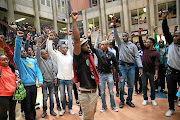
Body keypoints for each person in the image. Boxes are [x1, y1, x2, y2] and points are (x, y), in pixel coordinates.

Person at [72, 11, 99, 120]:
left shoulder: (89, 55)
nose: (88, 46)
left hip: (94, 91)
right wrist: (74, 21)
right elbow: (77, 40)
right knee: (88, 117)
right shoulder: (79, 57)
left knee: (90, 116)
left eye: (88, 44)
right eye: (85, 45)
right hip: (86, 93)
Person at [88, 30, 123, 112]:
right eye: (101, 44)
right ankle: (104, 106)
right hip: (101, 75)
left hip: (109, 75)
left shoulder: (111, 54)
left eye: (103, 44)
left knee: (111, 92)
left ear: (107, 45)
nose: (101, 46)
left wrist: (120, 74)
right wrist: (89, 37)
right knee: (102, 92)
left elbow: (116, 65)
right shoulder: (98, 52)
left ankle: (113, 106)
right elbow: (91, 47)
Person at [112, 16, 143, 108]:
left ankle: (129, 100)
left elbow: (137, 56)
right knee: (121, 86)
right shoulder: (120, 44)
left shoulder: (133, 46)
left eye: (125, 36)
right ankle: (122, 100)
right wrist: (114, 24)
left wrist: (140, 67)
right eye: (123, 36)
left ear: (128, 37)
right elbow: (116, 34)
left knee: (130, 86)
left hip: (131, 67)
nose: (123, 37)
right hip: (122, 67)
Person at [14, 31, 43, 120]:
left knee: (33, 104)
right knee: (27, 106)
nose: (23, 52)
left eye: (24, 51)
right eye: (21, 52)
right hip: (25, 87)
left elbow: (38, 71)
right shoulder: (19, 62)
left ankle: (33, 118)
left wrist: (40, 81)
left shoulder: (32, 61)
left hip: (34, 86)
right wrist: (18, 39)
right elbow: (17, 52)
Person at [47, 30, 75, 116]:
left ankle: (70, 108)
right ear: (60, 49)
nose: (65, 49)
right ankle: (63, 109)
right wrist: (50, 39)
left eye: (66, 48)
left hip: (70, 78)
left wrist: (69, 36)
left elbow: (70, 45)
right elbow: (50, 50)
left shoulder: (70, 54)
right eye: (64, 48)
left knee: (70, 95)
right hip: (61, 79)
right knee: (62, 95)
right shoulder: (58, 55)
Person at [161, 11, 180, 117]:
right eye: (174, 35)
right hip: (171, 72)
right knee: (171, 91)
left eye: (177, 36)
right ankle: (171, 108)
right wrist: (164, 19)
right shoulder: (171, 42)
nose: (174, 37)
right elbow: (166, 31)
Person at [36, 36, 57, 118]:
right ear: (41, 55)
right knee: (45, 98)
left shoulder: (50, 59)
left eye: (46, 53)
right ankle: (44, 111)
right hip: (44, 82)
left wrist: (55, 78)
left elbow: (53, 69)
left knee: (51, 97)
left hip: (51, 81)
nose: (46, 54)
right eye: (44, 54)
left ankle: (52, 110)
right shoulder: (40, 61)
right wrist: (38, 44)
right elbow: (37, 53)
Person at [138, 28, 160, 106]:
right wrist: (139, 33)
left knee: (153, 86)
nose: (145, 43)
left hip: (152, 72)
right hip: (144, 71)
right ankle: (145, 99)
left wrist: (156, 74)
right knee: (144, 85)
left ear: (151, 44)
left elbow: (157, 64)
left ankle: (153, 99)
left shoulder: (156, 53)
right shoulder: (144, 49)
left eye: (147, 42)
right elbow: (140, 42)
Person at [0, 54, 21, 120]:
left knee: (12, 112)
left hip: (13, 94)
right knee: (3, 114)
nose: (6, 61)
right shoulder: (0, 69)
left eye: (6, 59)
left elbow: (13, 78)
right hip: (3, 95)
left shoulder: (10, 68)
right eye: (3, 60)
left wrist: (17, 80)